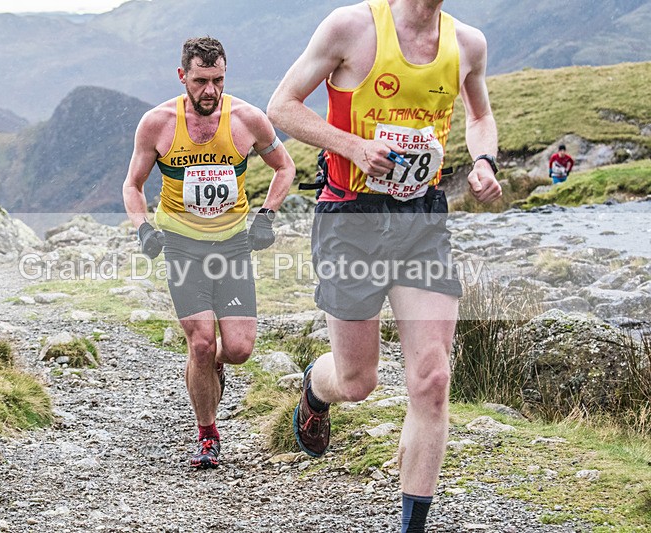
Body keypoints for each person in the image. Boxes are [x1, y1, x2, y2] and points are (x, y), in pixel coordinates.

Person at [267, 1, 501, 531]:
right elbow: (281, 106)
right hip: (351, 218)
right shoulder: (351, 27)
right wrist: (352, 145)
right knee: (357, 381)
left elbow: (480, 116)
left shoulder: (467, 43)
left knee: (432, 377)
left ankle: (411, 525)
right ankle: (315, 386)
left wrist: (484, 162)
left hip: (422, 221)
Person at [123, 37, 295, 470]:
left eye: (218, 80)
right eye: (201, 81)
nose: (210, 91)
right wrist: (144, 229)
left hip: (233, 244)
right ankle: (207, 434)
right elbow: (133, 185)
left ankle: (212, 366)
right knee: (201, 343)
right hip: (182, 244)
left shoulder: (247, 119)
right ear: (183, 76)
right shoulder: (157, 123)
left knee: (236, 349)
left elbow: (285, 167)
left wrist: (266, 217)